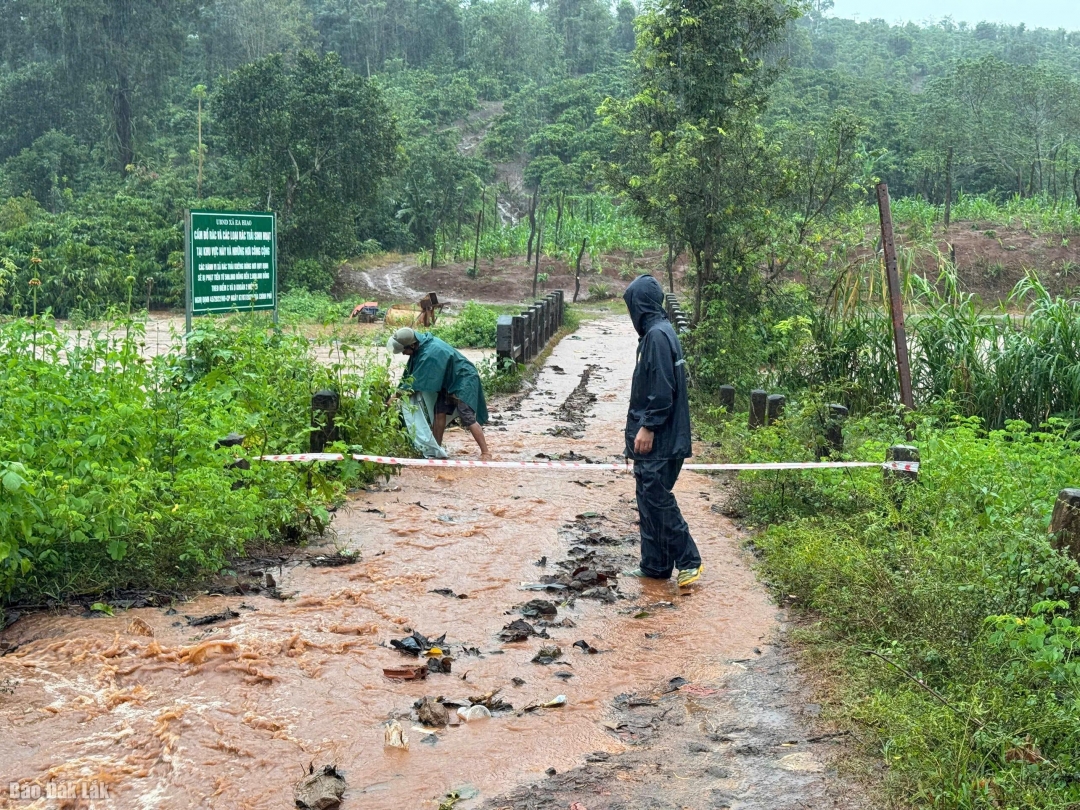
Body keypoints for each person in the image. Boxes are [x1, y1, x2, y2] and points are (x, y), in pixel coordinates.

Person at [621, 274, 703, 588]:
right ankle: (655, 565)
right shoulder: (658, 332)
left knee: (655, 497)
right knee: (647, 497)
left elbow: (662, 389)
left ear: (640, 305)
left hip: (662, 438)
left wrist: (649, 427)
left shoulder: (656, 336)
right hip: (662, 437)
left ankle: (689, 560)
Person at [388, 327, 491, 459]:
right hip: (448, 381)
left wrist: (394, 397)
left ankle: (486, 452)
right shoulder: (422, 346)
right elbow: (413, 378)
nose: (403, 354)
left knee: (466, 416)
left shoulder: (429, 353)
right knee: (439, 413)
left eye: (405, 350)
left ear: (413, 345)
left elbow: (415, 383)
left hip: (463, 379)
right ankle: (437, 450)